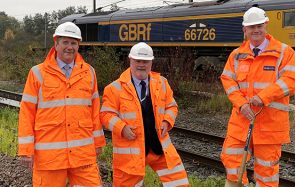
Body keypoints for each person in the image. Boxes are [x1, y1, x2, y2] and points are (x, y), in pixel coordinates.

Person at [17, 21, 106, 186]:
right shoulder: (37, 73)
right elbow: (27, 112)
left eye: (73, 43)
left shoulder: (89, 72)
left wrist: (98, 142)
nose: (69, 47)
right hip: (50, 157)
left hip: (82, 155)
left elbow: (94, 111)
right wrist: (26, 150)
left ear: (78, 46)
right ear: (56, 44)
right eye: (65, 42)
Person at [220, 7, 295, 187]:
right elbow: (228, 81)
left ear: (266, 25)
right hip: (241, 122)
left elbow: (290, 81)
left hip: (270, 126)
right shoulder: (236, 55)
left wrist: (263, 97)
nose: (256, 30)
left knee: (267, 173)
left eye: (259, 26)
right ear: (244, 30)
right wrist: (241, 104)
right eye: (251, 27)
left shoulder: (284, 53)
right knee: (232, 163)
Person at [100, 42, 189, 187]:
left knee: (179, 182)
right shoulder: (114, 88)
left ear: (151, 62)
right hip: (131, 153)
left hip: (160, 149)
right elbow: (106, 115)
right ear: (130, 60)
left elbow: (171, 106)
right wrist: (121, 128)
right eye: (138, 61)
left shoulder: (162, 83)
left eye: (145, 61)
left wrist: (167, 121)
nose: (141, 64)